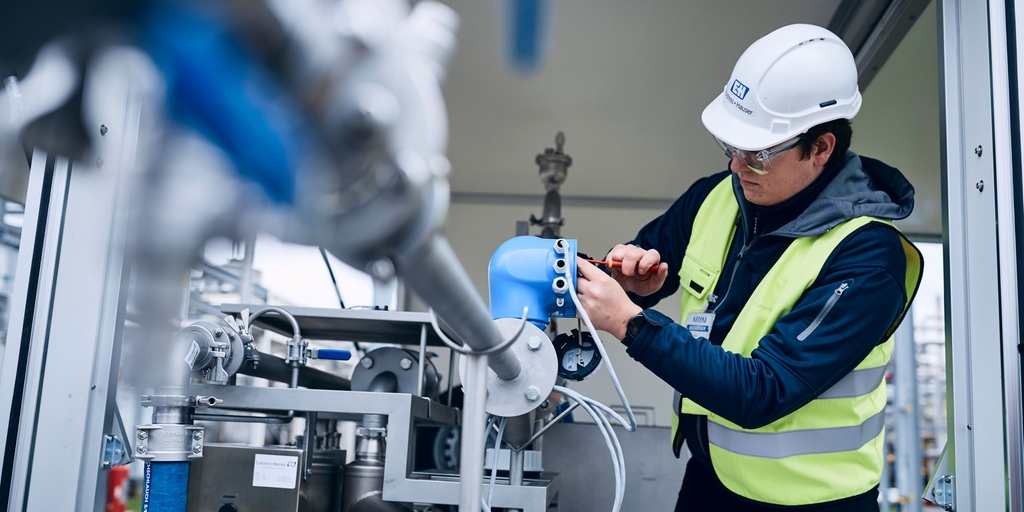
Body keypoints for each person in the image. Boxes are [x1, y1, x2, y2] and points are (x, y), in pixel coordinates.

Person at [574, 24, 923, 511]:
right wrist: (633, 282)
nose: (738, 166)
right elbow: (639, 263)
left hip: (813, 502)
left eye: (757, 153)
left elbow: (764, 390)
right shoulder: (714, 198)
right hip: (709, 478)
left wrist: (630, 323)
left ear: (821, 147)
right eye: (732, 146)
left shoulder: (868, 257)